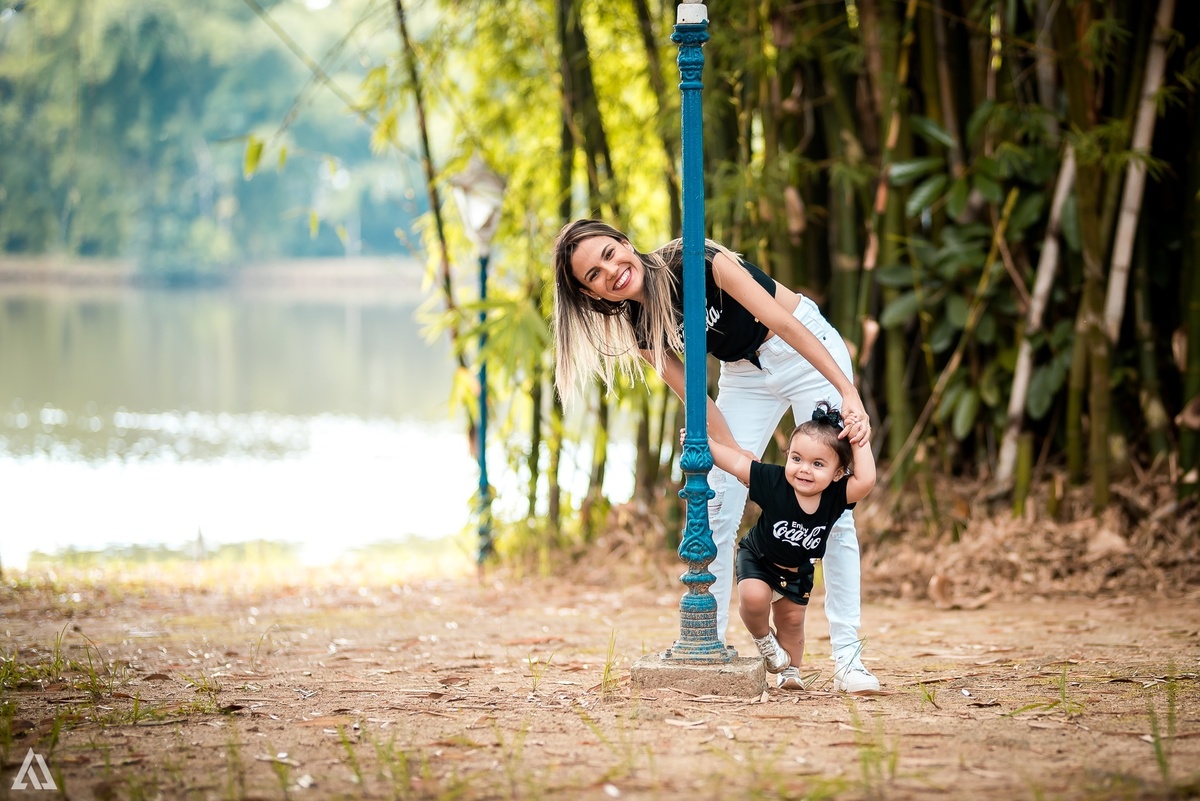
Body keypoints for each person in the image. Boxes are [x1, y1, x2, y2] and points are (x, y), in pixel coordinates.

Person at [551, 219, 881, 693]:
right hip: (746, 374)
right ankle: (713, 648)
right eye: (594, 277)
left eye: (608, 253)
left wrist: (847, 392)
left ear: (625, 242)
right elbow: (697, 399)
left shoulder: (698, 263)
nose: (611, 272)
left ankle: (848, 658)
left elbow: (784, 322)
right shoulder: (638, 324)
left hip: (801, 349)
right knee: (717, 501)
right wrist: (740, 458)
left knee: (835, 511)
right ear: (594, 296)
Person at [706, 401, 877, 690]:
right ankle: (763, 638)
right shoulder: (773, 481)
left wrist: (859, 438)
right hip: (758, 558)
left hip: (798, 571)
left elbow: (866, 479)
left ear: (838, 474)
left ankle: (790, 671)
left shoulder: (836, 495)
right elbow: (736, 463)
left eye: (818, 464)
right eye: (796, 458)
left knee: (792, 623)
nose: (804, 470)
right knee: (753, 598)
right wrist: (702, 443)